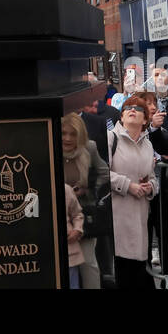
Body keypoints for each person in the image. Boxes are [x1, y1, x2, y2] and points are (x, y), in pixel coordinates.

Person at [107, 100, 158, 288]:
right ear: (121, 116)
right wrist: (128, 185)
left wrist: (150, 187)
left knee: (139, 268)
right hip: (118, 213)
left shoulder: (147, 145)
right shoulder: (111, 138)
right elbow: (102, 172)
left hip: (140, 214)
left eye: (138, 109)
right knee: (124, 268)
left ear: (145, 119)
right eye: (127, 108)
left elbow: (152, 177)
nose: (132, 111)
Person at [61, 112, 103, 289]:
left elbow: (103, 173)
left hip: (84, 214)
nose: (68, 138)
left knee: (88, 264)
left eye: (73, 134)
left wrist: (88, 189)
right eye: (63, 133)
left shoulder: (90, 147)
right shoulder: (49, 147)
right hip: (60, 217)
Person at [64, 181, 85, 289]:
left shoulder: (66, 189)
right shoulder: (31, 192)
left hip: (69, 248)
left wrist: (77, 230)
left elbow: (77, 214)